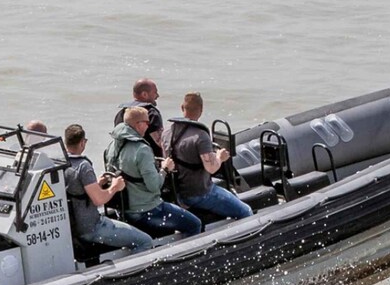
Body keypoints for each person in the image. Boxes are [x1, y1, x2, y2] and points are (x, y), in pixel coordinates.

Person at [107, 107, 202, 237]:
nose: (149, 126)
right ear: (138, 124)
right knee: (194, 224)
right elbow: (154, 186)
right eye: (147, 122)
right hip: (147, 210)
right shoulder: (142, 150)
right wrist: (165, 169)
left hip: (125, 209)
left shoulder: (112, 146)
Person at [163, 92, 253, 220]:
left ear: (182, 107)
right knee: (245, 211)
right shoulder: (200, 136)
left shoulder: (167, 131)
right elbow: (211, 168)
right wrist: (220, 157)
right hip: (199, 193)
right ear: (201, 110)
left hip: (177, 192)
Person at [63, 124, 153, 252]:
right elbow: (98, 200)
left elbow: (77, 191)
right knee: (145, 241)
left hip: (76, 226)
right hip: (92, 227)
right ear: (83, 143)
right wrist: (115, 187)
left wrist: (98, 184)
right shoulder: (83, 166)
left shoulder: (64, 164)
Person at [114, 78, 164, 157]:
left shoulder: (121, 113)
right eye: (155, 92)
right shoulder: (151, 113)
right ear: (144, 94)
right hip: (147, 161)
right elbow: (161, 142)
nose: (157, 96)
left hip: (123, 160)